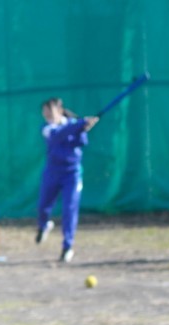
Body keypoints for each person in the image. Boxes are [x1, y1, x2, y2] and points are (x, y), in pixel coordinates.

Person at [35, 98, 99, 262]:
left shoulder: (73, 124)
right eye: (44, 112)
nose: (47, 114)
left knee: (69, 209)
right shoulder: (46, 128)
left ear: (59, 110)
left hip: (72, 174)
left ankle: (67, 246)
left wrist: (83, 129)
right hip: (52, 172)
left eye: (49, 110)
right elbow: (58, 135)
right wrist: (80, 124)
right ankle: (43, 225)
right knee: (43, 206)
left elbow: (82, 142)